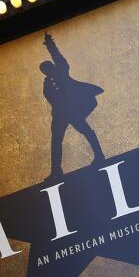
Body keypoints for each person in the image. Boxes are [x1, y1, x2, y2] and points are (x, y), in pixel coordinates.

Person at [40, 33, 105, 180]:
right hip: (59, 115)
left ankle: (100, 155)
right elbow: (50, 99)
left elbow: (57, 56)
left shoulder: (62, 71)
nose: (46, 70)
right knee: (56, 141)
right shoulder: (47, 84)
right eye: (44, 70)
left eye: (47, 67)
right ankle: (56, 171)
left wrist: (50, 44)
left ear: (52, 66)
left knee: (86, 131)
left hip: (72, 110)